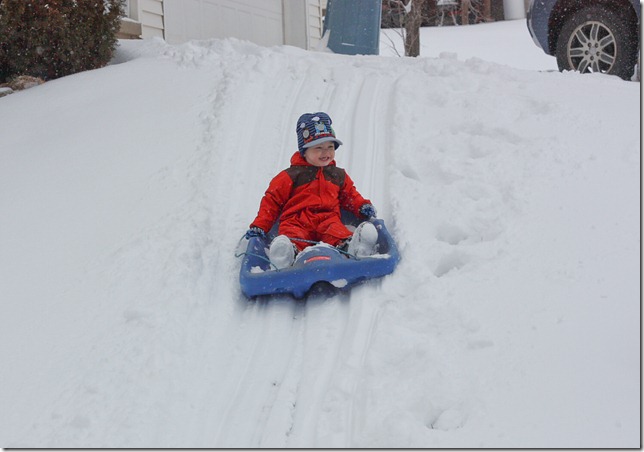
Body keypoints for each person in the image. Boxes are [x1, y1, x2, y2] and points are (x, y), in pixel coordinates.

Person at [245, 112, 378, 269]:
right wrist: (260, 225)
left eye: (330, 147)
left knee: (338, 233)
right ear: (304, 151)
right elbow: (271, 201)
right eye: (318, 148)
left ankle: (353, 248)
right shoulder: (290, 175)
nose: (326, 153)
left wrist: (361, 206)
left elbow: (350, 195)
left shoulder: (338, 175)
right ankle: (285, 255)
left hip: (328, 219)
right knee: (292, 236)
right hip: (296, 220)